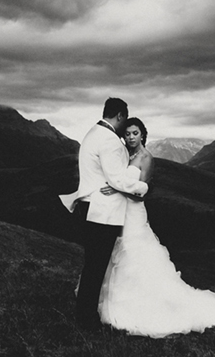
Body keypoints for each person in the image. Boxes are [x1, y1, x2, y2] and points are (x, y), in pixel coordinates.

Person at [97, 118, 215, 337]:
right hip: (119, 212)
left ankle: (142, 308)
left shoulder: (146, 158)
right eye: (127, 133)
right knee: (117, 253)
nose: (130, 137)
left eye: (134, 133)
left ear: (142, 135)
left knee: (134, 254)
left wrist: (115, 188)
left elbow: (142, 191)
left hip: (134, 214)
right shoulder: (125, 155)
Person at [56, 98, 149, 327]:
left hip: (91, 208)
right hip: (102, 212)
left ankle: (85, 314)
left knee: (93, 265)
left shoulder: (92, 133)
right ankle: (87, 319)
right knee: (96, 267)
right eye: (124, 120)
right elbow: (116, 178)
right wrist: (143, 188)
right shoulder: (108, 140)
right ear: (119, 116)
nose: (124, 128)